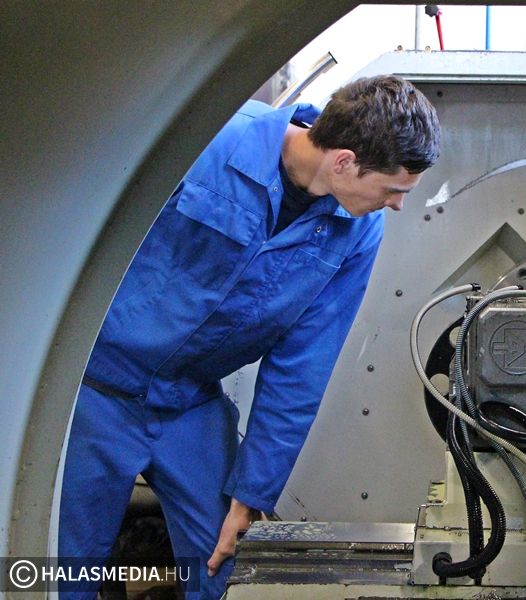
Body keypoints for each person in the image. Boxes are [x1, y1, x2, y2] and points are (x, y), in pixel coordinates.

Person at [59, 75, 441, 598]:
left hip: (188, 404)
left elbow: (302, 367)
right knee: (63, 568)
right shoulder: (206, 142)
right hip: (91, 395)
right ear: (344, 161)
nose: (397, 205)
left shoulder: (356, 233)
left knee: (227, 566)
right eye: (394, 190)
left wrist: (251, 493)